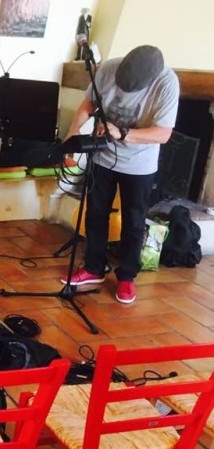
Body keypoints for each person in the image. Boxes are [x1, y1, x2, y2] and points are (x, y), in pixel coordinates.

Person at [61, 45, 180, 304]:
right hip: (102, 157)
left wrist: (123, 133)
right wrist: (72, 133)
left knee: (134, 222)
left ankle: (126, 277)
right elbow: (88, 104)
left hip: (140, 165)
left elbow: (163, 134)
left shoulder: (167, 83)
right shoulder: (107, 69)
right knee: (95, 214)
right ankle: (94, 267)